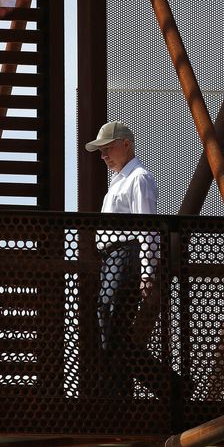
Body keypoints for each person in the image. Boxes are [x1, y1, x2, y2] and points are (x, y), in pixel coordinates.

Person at [85, 121, 158, 395]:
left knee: (111, 320)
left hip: (125, 256)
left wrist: (147, 272)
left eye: (107, 149)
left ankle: (118, 390)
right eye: (101, 151)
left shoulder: (138, 178)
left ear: (126, 144)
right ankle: (119, 387)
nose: (103, 156)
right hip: (114, 258)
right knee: (111, 325)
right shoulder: (121, 180)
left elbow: (148, 227)